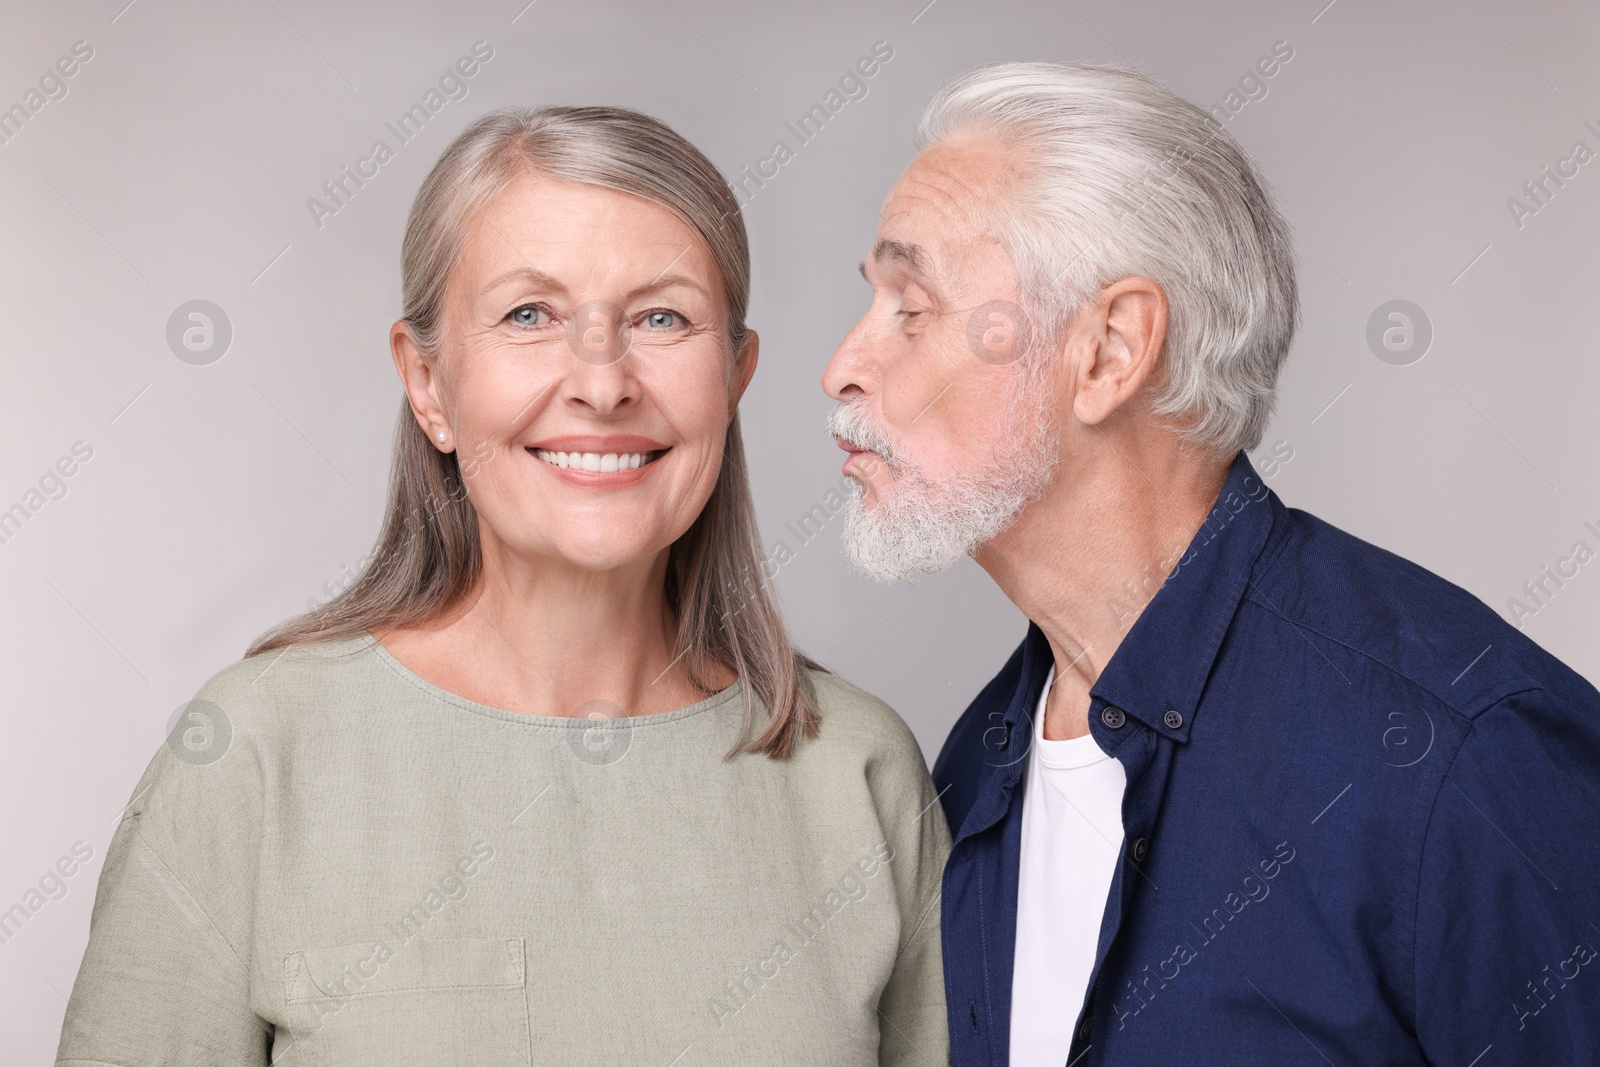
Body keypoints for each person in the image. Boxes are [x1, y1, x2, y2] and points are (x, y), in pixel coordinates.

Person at [56, 105, 949, 1067]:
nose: (602, 384)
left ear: (734, 378)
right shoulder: (253, 760)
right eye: (531, 315)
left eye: (662, 316)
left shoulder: (862, 774)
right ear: (429, 384)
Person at [822, 60, 1600, 1066]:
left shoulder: (1463, 759)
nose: (843, 363)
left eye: (910, 306)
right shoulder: (978, 769)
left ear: (1109, 350)